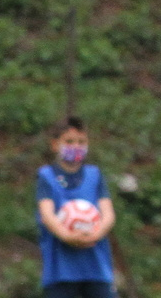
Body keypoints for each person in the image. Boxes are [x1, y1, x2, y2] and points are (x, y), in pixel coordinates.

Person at [36, 116, 117, 298]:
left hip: (95, 267)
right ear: (55, 145)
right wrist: (67, 236)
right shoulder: (46, 176)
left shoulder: (94, 175)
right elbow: (47, 214)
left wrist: (96, 234)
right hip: (61, 272)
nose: (76, 146)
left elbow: (109, 214)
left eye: (81, 141)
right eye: (69, 141)